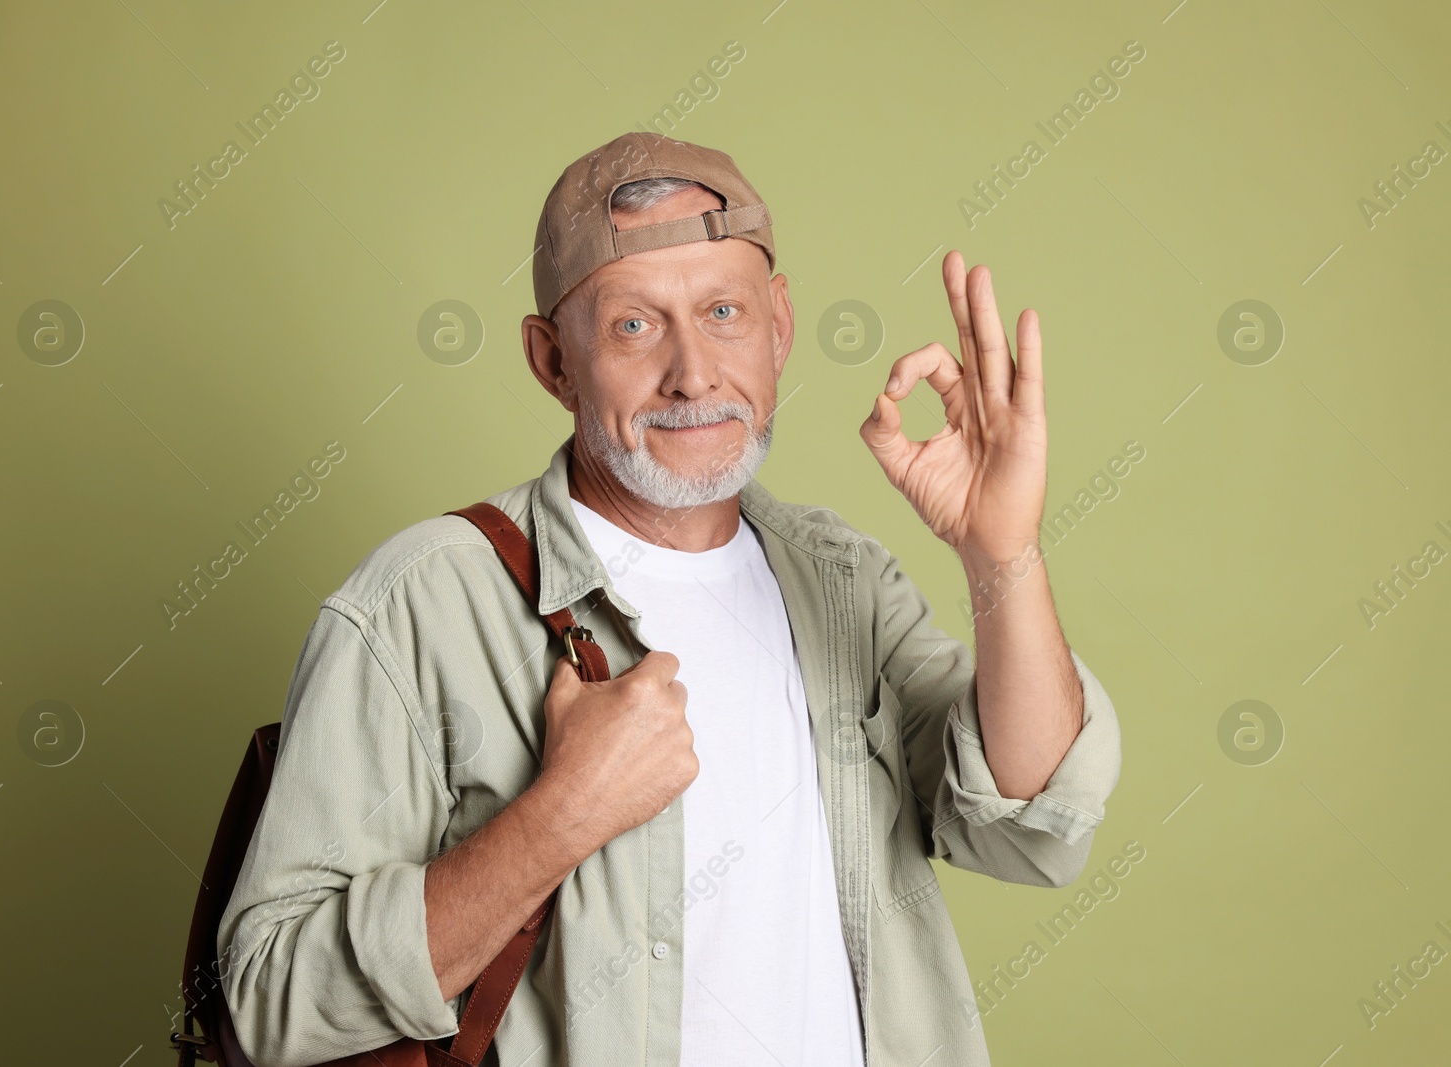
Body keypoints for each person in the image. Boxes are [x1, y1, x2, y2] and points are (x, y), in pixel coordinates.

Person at [218, 130, 1122, 1067]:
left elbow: (1031, 823)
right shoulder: (423, 603)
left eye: (723, 310)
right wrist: (559, 814)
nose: (693, 373)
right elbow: (266, 1000)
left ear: (778, 325)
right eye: (634, 326)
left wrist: (1001, 552)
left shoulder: (841, 577)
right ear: (552, 360)